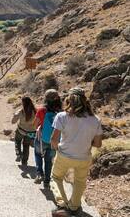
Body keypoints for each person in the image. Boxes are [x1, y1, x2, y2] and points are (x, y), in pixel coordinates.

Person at [51, 88, 103, 216]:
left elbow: (54, 139)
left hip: (64, 154)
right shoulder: (95, 120)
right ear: (85, 101)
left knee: (56, 177)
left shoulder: (62, 116)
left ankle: (62, 205)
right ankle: (74, 207)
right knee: (79, 181)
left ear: (69, 100)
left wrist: (58, 149)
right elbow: (98, 144)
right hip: (84, 157)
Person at [33, 89, 62, 187]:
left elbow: (35, 124)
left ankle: (39, 173)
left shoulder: (42, 110)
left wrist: (40, 126)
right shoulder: (61, 113)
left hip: (41, 139)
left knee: (37, 154)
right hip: (55, 140)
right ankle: (47, 181)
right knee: (49, 160)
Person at [11, 96, 36, 165]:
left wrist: (14, 116)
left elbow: (13, 121)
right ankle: (24, 161)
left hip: (21, 130)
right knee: (26, 145)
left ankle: (18, 153)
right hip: (31, 132)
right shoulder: (35, 111)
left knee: (17, 141)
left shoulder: (21, 111)